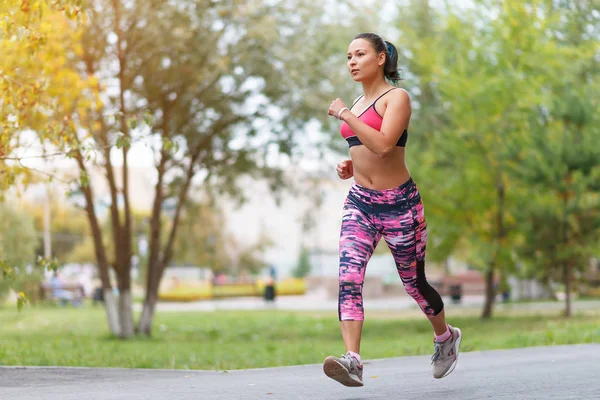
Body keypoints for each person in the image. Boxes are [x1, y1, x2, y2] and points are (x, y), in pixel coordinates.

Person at [322, 32, 462, 387]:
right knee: (349, 277)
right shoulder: (356, 102)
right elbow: (365, 148)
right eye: (348, 56)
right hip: (361, 203)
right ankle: (352, 360)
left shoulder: (396, 97)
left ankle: (445, 337)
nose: (352, 61)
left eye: (360, 54)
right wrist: (350, 166)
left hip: (400, 203)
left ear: (381, 58)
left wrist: (343, 114)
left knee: (414, 283)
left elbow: (385, 145)